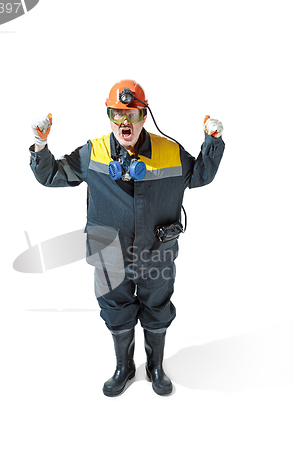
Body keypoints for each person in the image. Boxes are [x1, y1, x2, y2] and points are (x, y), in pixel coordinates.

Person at [29, 79, 225, 397]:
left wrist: (212, 141)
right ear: (108, 116)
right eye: (116, 113)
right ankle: (124, 367)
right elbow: (52, 175)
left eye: (132, 114)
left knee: (157, 307)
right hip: (109, 254)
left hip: (157, 252)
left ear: (144, 116)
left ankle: (155, 367)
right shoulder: (94, 152)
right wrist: (40, 145)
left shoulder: (169, 152)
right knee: (116, 309)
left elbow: (201, 174)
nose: (124, 122)